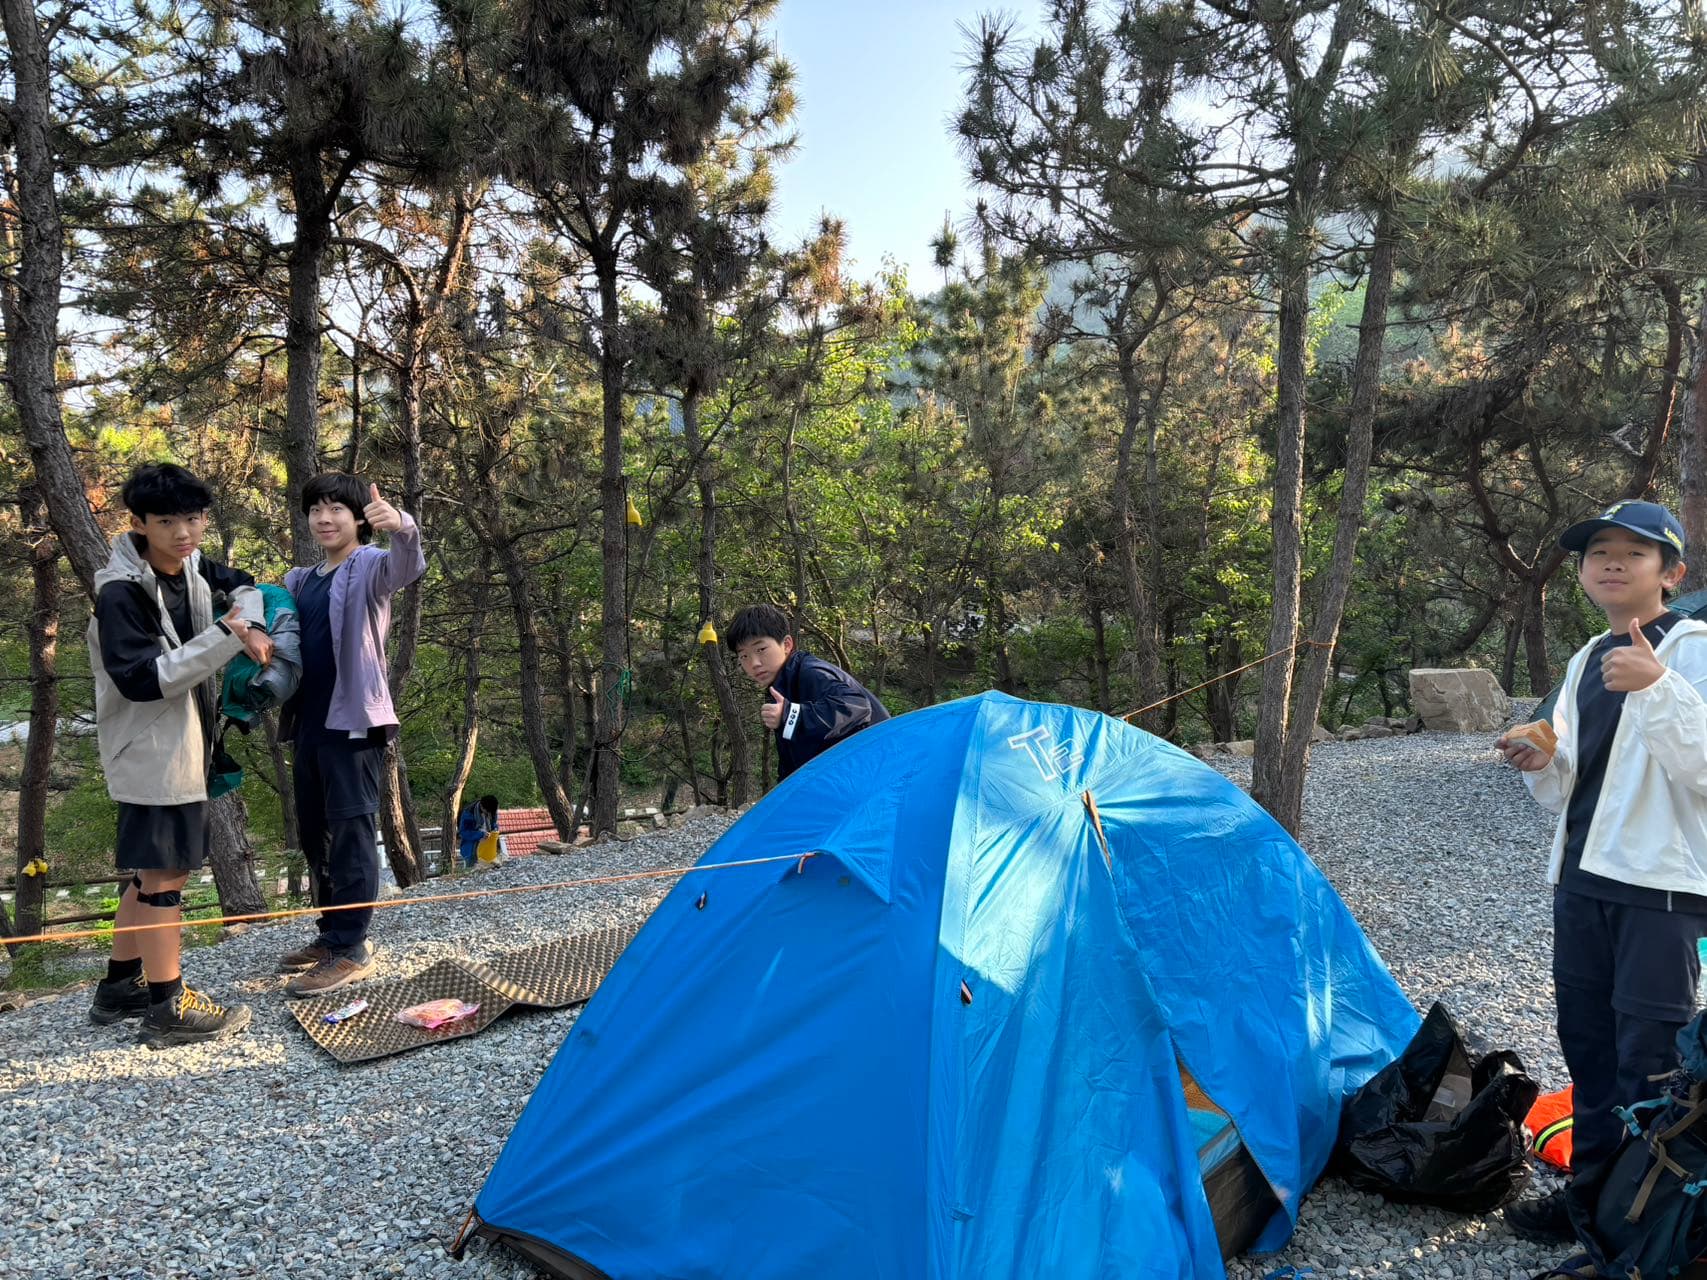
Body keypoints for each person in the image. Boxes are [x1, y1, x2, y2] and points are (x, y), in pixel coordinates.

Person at [1498, 500, 1707, 1244]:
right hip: (1581, 883)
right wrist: (1541, 761)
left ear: (1670, 573)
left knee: (1647, 1062)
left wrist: (1655, 686)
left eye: (1633, 552)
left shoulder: (1692, 649)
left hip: (1663, 893)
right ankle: (1588, 1200)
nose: (1611, 563)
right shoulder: (1586, 657)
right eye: (1597, 553)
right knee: (1586, 1046)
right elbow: (1580, 783)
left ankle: (1640, 1223)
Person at [86, 463, 272, 1046]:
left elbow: (246, 585)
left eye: (193, 518)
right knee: (166, 873)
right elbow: (143, 679)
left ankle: (119, 986)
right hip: (149, 749)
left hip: (184, 741)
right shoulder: (120, 594)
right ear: (138, 524)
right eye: (167, 521)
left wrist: (252, 622)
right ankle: (168, 1006)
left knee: (147, 870)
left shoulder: (189, 565)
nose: (185, 532)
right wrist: (230, 635)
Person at [276, 474, 426, 997]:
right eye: (316, 508)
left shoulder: (368, 567)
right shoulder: (299, 578)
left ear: (358, 517)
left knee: (353, 828)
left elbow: (406, 567)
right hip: (308, 722)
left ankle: (351, 946)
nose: (325, 517)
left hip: (353, 722)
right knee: (314, 830)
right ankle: (329, 932)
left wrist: (402, 527)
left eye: (337, 508)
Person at [723, 604, 889, 781]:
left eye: (761, 649)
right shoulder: (782, 686)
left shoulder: (810, 672)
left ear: (787, 644)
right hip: (855, 777)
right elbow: (793, 759)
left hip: (880, 772)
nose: (754, 663)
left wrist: (790, 715)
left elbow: (857, 706)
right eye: (744, 656)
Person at [458, 794, 500, 868]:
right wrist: (480, 834)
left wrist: (495, 829)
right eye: (488, 812)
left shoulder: (492, 810)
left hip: (488, 847)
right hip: (471, 849)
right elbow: (463, 832)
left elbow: (494, 823)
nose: (489, 815)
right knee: (472, 870)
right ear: (482, 807)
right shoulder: (468, 814)